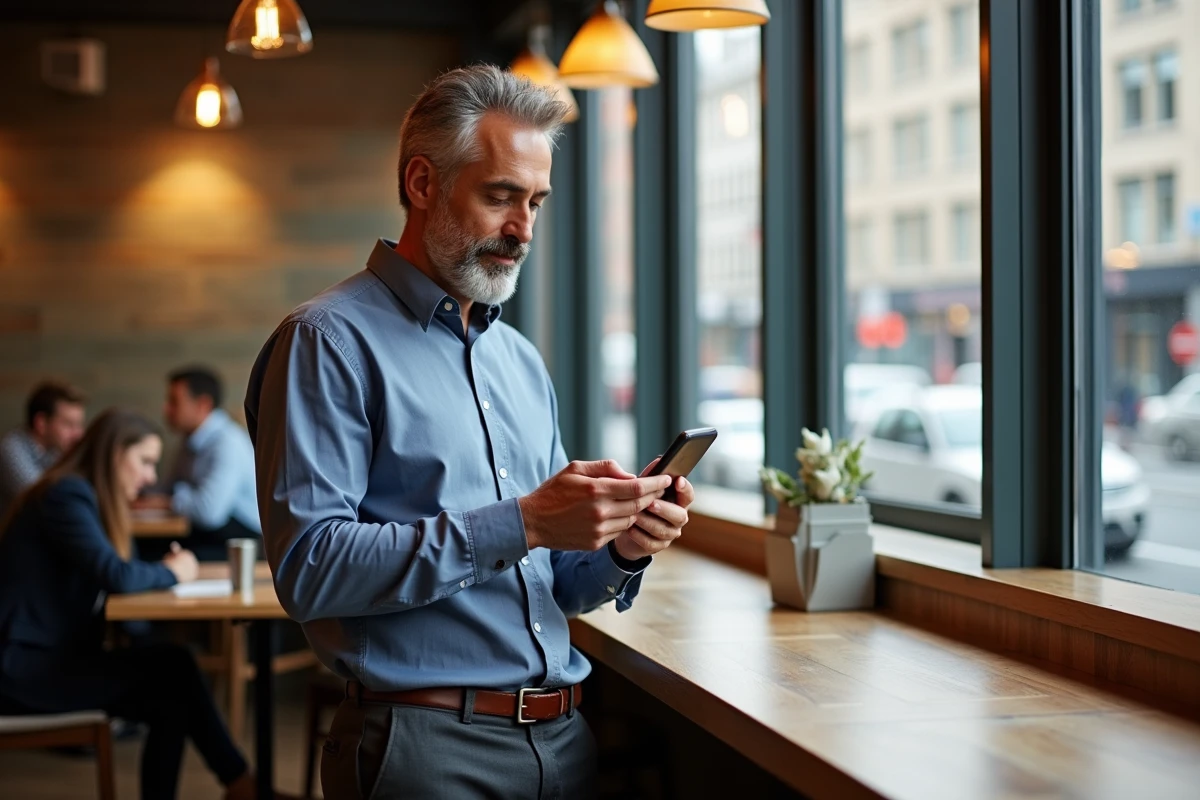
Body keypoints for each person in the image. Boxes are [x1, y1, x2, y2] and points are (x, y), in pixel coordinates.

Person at [245, 65, 696, 799]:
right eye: (500, 197)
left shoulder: (518, 360)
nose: (522, 230)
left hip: (564, 741)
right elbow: (310, 568)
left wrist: (620, 545)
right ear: (422, 184)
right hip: (422, 754)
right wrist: (523, 521)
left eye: (536, 203)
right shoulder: (326, 341)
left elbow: (551, 583)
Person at [0, 409, 266, 800]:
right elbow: (118, 575)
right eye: (144, 461)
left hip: (44, 659)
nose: (151, 477)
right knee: (174, 669)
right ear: (112, 455)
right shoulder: (65, 495)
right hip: (21, 669)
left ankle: (239, 783)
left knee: (171, 684)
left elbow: (120, 576)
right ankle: (242, 784)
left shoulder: (82, 497)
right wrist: (175, 571)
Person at [142, 367, 260, 561]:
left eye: (174, 402)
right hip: (207, 535)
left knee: (155, 557)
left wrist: (167, 502)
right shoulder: (188, 441)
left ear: (203, 405)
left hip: (238, 544)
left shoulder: (227, 442)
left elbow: (209, 512)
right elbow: (167, 487)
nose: (166, 409)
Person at [0, 381, 86, 518]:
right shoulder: (11, 449)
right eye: (69, 424)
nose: (78, 434)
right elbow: (42, 499)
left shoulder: (55, 450)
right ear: (41, 423)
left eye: (79, 425)